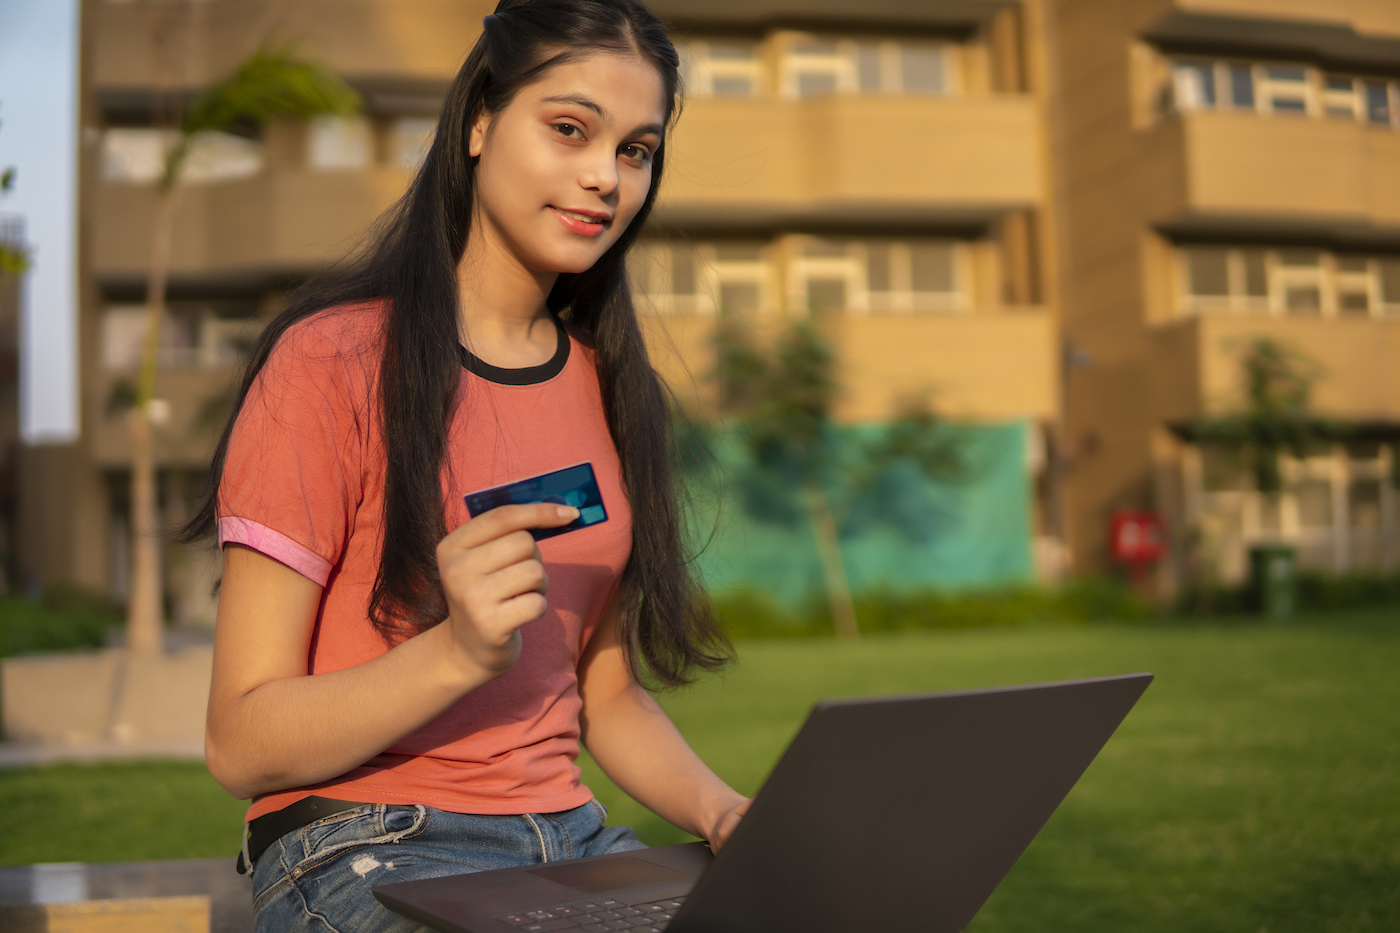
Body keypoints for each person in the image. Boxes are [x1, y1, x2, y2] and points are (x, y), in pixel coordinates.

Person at [182, 1, 747, 929]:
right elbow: (239, 741)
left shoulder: (612, 386)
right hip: (368, 843)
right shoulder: (331, 362)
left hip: (573, 842)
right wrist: (453, 654)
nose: (604, 177)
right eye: (570, 129)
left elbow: (604, 694)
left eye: (637, 150)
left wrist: (725, 809)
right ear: (481, 121)